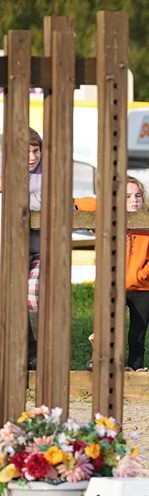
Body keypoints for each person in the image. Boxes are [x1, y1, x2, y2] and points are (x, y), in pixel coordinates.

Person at [0, 128, 44, 368]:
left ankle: (37, 351)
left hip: (39, 248)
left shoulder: (47, 170)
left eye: (36, 150)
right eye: (26, 152)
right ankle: (18, 352)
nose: (32, 157)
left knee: (32, 295)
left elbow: (48, 200)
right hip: (9, 247)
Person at [122, 177, 149, 372]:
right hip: (115, 288)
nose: (134, 200)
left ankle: (135, 368)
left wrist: (141, 275)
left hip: (143, 289)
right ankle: (110, 366)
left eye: (138, 196)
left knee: (137, 334)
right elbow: (88, 206)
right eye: (128, 196)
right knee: (109, 331)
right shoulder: (109, 223)